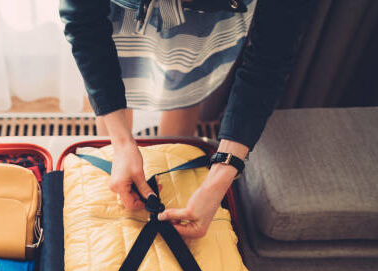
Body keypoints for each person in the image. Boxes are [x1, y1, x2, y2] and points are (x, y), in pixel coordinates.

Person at [60, 0, 316, 239]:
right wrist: (121, 144)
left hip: (201, 34)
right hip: (117, 19)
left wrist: (219, 179)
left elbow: (271, 55)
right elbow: (84, 24)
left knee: (185, 93)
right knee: (112, 99)